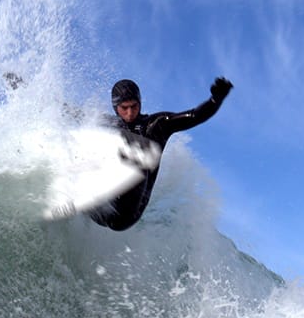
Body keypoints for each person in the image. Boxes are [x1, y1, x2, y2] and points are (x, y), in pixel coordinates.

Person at [89, 76, 233, 231]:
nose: (130, 113)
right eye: (124, 108)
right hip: (104, 209)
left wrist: (215, 100)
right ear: (115, 107)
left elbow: (194, 116)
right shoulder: (108, 123)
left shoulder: (157, 124)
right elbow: (75, 115)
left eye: (134, 106)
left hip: (127, 213)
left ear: (140, 103)